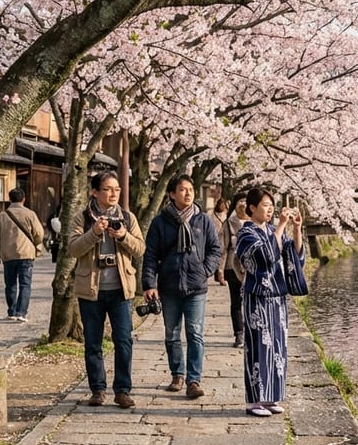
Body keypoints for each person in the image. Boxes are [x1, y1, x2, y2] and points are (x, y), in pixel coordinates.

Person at [69, 172, 145, 409]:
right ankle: (98, 389)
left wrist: (122, 235)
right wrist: (94, 233)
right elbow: (73, 249)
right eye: (108, 189)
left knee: (123, 340)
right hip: (91, 290)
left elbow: (140, 249)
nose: (114, 194)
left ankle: (122, 390)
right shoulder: (82, 218)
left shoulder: (127, 217)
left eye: (117, 190)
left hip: (121, 289)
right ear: (95, 192)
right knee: (93, 342)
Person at [143, 175, 222, 400]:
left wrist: (205, 269)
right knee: (172, 334)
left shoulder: (203, 220)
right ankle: (177, 374)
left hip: (196, 286)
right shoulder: (160, 222)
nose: (187, 193)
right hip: (169, 286)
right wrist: (149, 283)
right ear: (171, 194)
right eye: (182, 189)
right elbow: (150, 255)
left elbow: (215, 249)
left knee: (195, 333)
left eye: (190, 189)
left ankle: (193, 380)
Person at [236, 187, 303, 417]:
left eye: (271, 204)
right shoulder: (245, 234)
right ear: (252, 208)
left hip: (277, 298)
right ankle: (254, 401)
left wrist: (296, 229)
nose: (270, 209)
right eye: (265, 205)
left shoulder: (274, 230)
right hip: (257, 298)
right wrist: (282, 226)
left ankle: (272, 397)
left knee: (278, 348)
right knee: (259, 347)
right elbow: (265, 256)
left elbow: (293, 257)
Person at [0, 188, 45, 322]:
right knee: (25, 284)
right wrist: (36, 247)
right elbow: (39, 233)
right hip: (26, 254)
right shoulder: (30, 214)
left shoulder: (2, 215)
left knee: (10, 284)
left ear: (10, 199)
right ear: (23, 199)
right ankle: (21, 313)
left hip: (8, 255)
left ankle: (12, 311)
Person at [215, 192, 248, 348]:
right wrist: (220, 270)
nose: (243, 204)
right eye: (240, 201)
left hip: (250, 268)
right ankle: (239, 334)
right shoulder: (229, 223)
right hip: (231, 267)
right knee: (236, 302)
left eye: (246, 201)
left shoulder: (256, 222)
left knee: (250, 301)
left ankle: (251, 331)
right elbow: (222, 248)